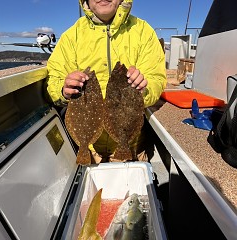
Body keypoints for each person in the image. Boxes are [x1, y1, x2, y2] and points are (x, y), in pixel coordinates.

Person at [46, 0, 167, 163]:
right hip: (90, 151)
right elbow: (54, 78)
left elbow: (156, 79)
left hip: (133, 147)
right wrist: (63, 90)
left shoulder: (143, 31)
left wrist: (144, 89)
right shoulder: (71, 36)